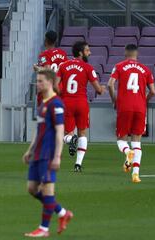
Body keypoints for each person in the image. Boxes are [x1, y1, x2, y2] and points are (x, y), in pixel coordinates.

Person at [23, 69, 73, 238]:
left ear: (50, 82)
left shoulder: (56, 104)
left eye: (41, 81)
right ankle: (62, 213)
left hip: (49, 153)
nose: (38, 84)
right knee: (31, 188)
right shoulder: (43, 103)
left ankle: (43, 229)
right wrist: (29, 150)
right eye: (37, 81)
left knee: (47, 190)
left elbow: (60, 132)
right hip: (38, 153)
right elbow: (38, 131)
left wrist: (58, 156)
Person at [108, 44, 155, 183]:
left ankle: (127, 153)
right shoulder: (145, 69)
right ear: (136, 54)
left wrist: (114, 100)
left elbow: (110, 84)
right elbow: (152, 91)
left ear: (125, 53)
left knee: (122, 140)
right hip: (140, 108)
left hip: (125, 107)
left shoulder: (120, 66)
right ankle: (136, 175)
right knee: (137, 142)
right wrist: (144, 101)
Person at [56, 41, 106, 172]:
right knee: (83, 133)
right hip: (82, 103)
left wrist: (62, 93)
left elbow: (55, 86)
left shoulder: (63, 65)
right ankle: (78, 164)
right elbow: (98, 89)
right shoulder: (88, 67)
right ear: (80, 53)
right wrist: (102, 89)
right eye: (87, 50)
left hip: (67, 102)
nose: (89, 52)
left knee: (67, 134)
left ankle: (71, 139)